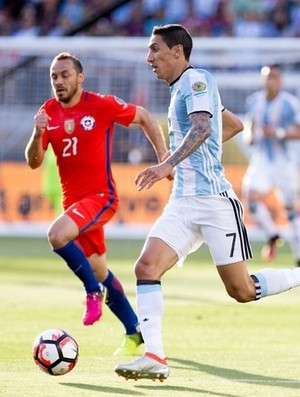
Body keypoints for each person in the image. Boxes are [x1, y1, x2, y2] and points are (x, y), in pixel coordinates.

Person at [115, 24, 300, 381]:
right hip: (183, 203)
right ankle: (155, 355)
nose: (148, 57)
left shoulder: (197, 79)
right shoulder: (179, 89)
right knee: (146, 267)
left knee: (241, 291)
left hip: (215, 202)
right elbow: (229, 124)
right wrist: (187, 157)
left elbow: (202, 127)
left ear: (177, 52)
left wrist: (170, 161)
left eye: (155, 50)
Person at [25, 52, 169, 356]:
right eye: (54, 76)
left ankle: (92, 292)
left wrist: (164, 157)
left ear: (80, 77)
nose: (59, 81)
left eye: (65, 75)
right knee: (99, 268)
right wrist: (37, 132)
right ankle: (134, 330)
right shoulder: (48, 111)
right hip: (74, 204)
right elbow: (34, 162)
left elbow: (143, 115)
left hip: (101, 198)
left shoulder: (101, 105)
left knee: (56, 235)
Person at [242, 64, 300, 264]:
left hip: (285, 162)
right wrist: (249, 137)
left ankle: (298, 255)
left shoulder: (290, 104)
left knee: (292, 211)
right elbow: (250, 126)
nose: (269, 81)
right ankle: (272, 234)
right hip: (262, 160)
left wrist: (279, 133)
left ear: (280, 80)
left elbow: (299, 132)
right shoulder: (254, 101)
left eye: (273, 77)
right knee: (250, 198)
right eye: (266, 77)